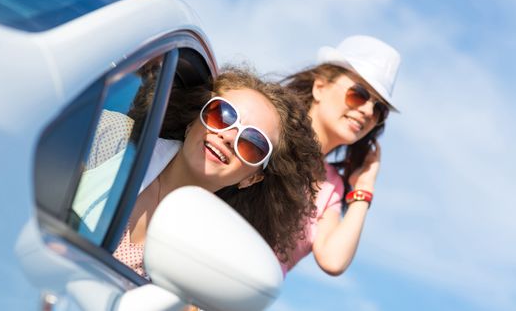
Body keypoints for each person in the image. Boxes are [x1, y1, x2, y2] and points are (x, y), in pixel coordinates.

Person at [112, 65, 324, 278]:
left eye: (253, 143)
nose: (229, 137)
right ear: (193, 121)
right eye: (221, 116)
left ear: (252, 178)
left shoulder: (214, 263)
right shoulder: (114, 140)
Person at [281, 35, 401, 276]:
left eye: (379, 109)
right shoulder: (270, 132)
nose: (368, 110)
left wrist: (363, 189)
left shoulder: (332, 185)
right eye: (359, 94)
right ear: (320, 87)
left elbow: (333, 260)